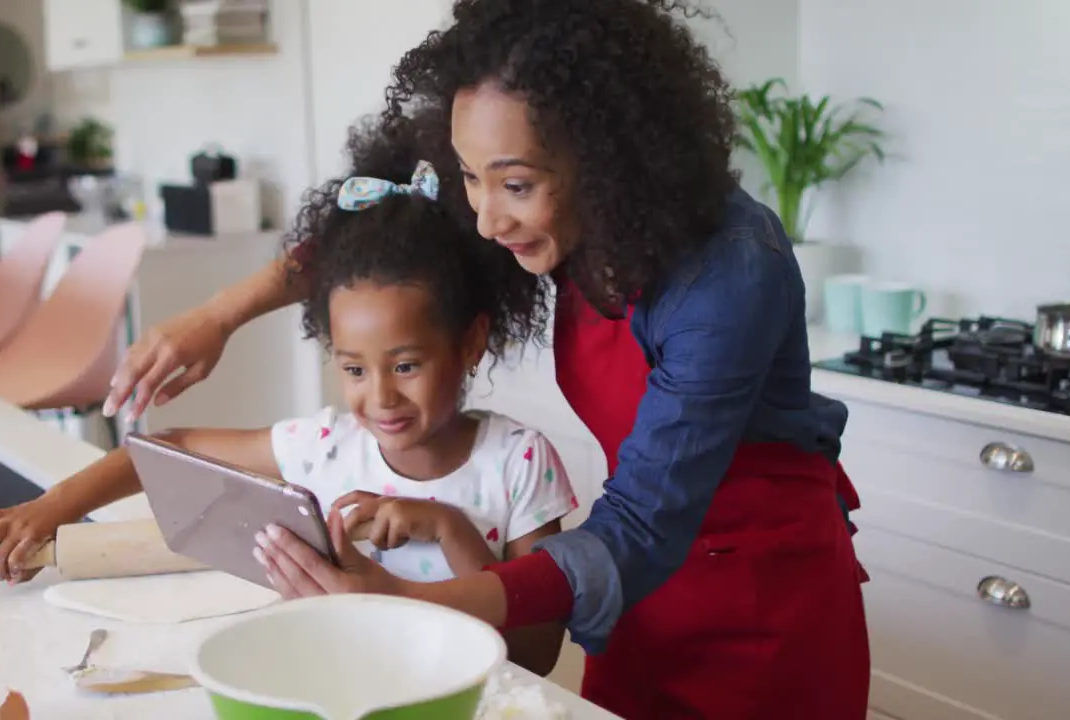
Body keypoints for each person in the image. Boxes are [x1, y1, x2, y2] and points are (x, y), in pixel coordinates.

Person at [102, 1, 871, 717]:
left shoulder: (729, 270)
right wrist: (219, 315)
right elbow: (378, 227)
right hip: (638, 597)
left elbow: (639, 524)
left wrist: (398, 599)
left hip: (761, 607)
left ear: (606, 164)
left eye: (513, 185)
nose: (484, 215)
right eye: (470, 176)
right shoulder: (554, 213)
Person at [0, 132, 579, 676]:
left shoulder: (519, 463)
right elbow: (168, 450)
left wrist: (449, 528)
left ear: (470, 341)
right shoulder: (327, 448)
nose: (380, 396)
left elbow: (535, 654)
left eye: (407, 365)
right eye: (353, 368)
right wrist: (52, 509)